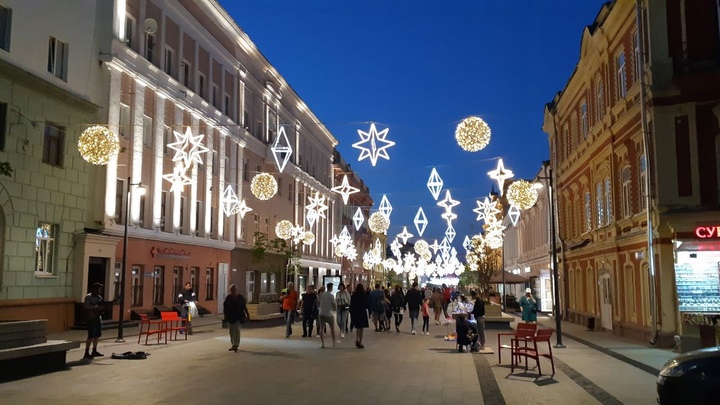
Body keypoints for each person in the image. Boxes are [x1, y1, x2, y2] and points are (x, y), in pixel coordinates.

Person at [83, 283, 114, 360]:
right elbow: (86, 306)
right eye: (99, 289)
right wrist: (96, 307)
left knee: (97, 335)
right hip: (91, 318)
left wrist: (106, 307)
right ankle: (86, 352)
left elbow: (102, 306)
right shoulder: (88, 297)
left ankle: (94, 350)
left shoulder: (99, 297)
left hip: (98, 318)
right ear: (95, 289)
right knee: (91, 335)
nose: (100, 291)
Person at [223, 284, 250, 352]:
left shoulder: (240, 297)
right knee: (231, 331)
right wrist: (225, 317)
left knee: (237, 330)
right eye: (231, 290)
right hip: (230, 317)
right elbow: (225, 307)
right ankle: (233, 343)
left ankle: (236, 344)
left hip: (238, 316)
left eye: (233, 289)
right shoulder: (228, 297)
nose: (232, 291)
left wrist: (247, 314)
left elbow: (244, 306)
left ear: (236, 290)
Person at [317, 283, 337, 348]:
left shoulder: (321, 294)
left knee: (321, 328)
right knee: (332, 328)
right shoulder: (331, 296)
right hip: (329, 314)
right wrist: (336, 309)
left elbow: (318, 302)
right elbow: (334, 304)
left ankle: (322, 343)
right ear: (330, 288)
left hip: (321, 313)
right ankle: (334, 342)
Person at [349, 284, 369, 348]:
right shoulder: (364, 295)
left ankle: (357, 338)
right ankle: (360, 341)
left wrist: (352, 313)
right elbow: (366, 303)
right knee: (361, 328)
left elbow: (351, 304)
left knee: (357, 327)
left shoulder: (354, 295)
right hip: (362, 312)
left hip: (356, 312)